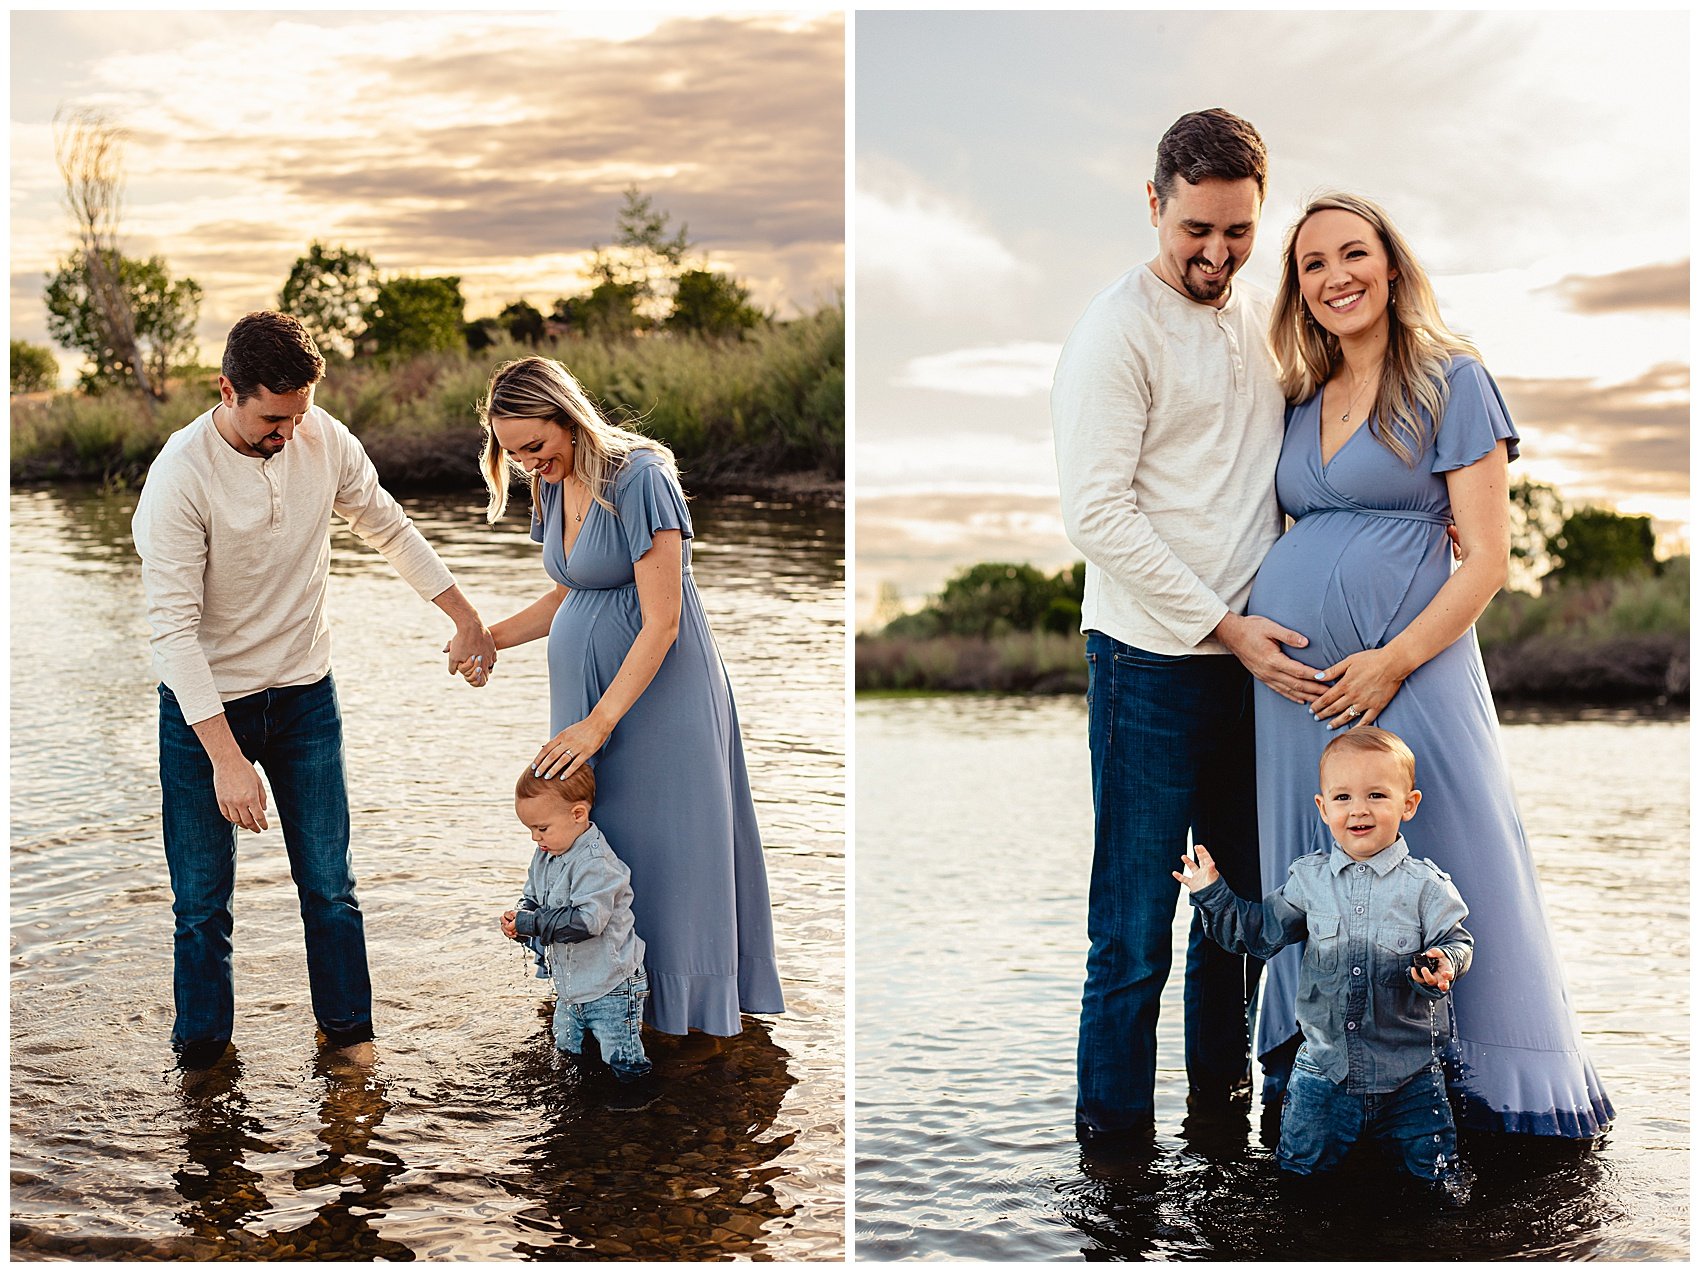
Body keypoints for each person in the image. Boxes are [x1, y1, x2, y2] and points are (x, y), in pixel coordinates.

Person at [1249, 191, 1613, 1137]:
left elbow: (1487, 559)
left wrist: (1391, 659)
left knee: (1461, 849)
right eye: (1313, 264)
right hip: (1297, 697)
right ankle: (1322, 1080)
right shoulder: (1298, 397)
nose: (1336, 277)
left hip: (1415, 672)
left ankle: (1496, 1096)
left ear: (1393, 264)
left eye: (1353, 253)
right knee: (1317, 866)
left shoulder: (1452, 380)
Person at [1052, 108, 1325, 1148]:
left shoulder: (1261, 319)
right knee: (1130, 940)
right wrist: (1223, 624)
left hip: (1250, 674)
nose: (1215, 254)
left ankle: (1222, 1135)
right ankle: (1112, 1169)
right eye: (1195, 231)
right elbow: (1096, 514)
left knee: (1234, 929)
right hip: (1147, 665)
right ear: (1154, 202)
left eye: (1237, 232)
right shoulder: (1112, 331)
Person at [132, 310, 498, 1069]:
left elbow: (389, 527)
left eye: (298, 414)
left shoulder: (321, 437)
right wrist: (226, 761)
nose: (288, 433)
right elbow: (171, 634)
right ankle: (202, 1066)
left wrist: (465, 616)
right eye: (272, 417)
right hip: (206, 711)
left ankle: (350, 1044)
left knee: (330, 885)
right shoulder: (179, 477)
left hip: (304, 697)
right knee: (202, 907)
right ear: (226, 390)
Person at [474, 356, 784, 1042]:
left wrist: (597, 723)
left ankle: (683, 1011)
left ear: (569, 419)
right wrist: (492, 638)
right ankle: (606, 992)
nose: (528, 464)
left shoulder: (640, 476)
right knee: (593, 840)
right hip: (589, 710)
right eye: (514, 453)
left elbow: (663, 621)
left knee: (667, 849)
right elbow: (568, 592)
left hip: (654, 703)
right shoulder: (553, 483)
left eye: (535, 446)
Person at [1175, 728, 1472, 1187]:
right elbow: (1257, 935)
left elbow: (1457, 940)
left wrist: (1444, 963)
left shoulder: (1426, 886)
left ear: (1407, 805)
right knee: (1299, 1184)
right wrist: (1211, 894)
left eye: (1377, 795)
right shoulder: (1308, 880)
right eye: (1343, 797)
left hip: (1411, 1077)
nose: (1359, 809)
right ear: (1324, 807)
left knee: (1438, 1188)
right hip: (1323, 1072)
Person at [499, 762, 652, 1087]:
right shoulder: (546, 854)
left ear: (578, 814)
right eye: (529, 829)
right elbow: (532, 898)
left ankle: (633, 1114)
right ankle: (579, 1106)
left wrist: (533, 922)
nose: (534, 838)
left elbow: (587, 921)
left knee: (623, 1060)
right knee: (568, 1050)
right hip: (572, 986)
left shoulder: (596, 864)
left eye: (541, 828)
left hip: (611, 985)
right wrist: (520, 919)